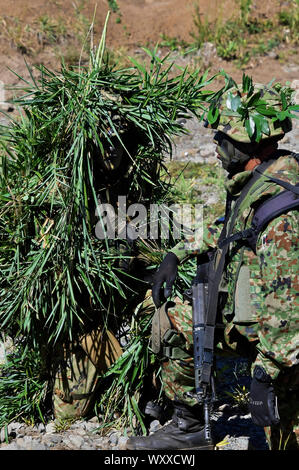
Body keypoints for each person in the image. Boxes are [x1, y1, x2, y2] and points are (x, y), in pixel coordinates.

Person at [126, 79, 299, 450]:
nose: (215, 146)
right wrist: (178, 252)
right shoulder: (261, 181)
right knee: (170, 320)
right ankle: (189, 428)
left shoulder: (281, 213)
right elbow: (231, 231)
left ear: (247, 146)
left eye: (222, 139)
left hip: (284, 345)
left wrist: (264, 374)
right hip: (257, 324)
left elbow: (288, 317)